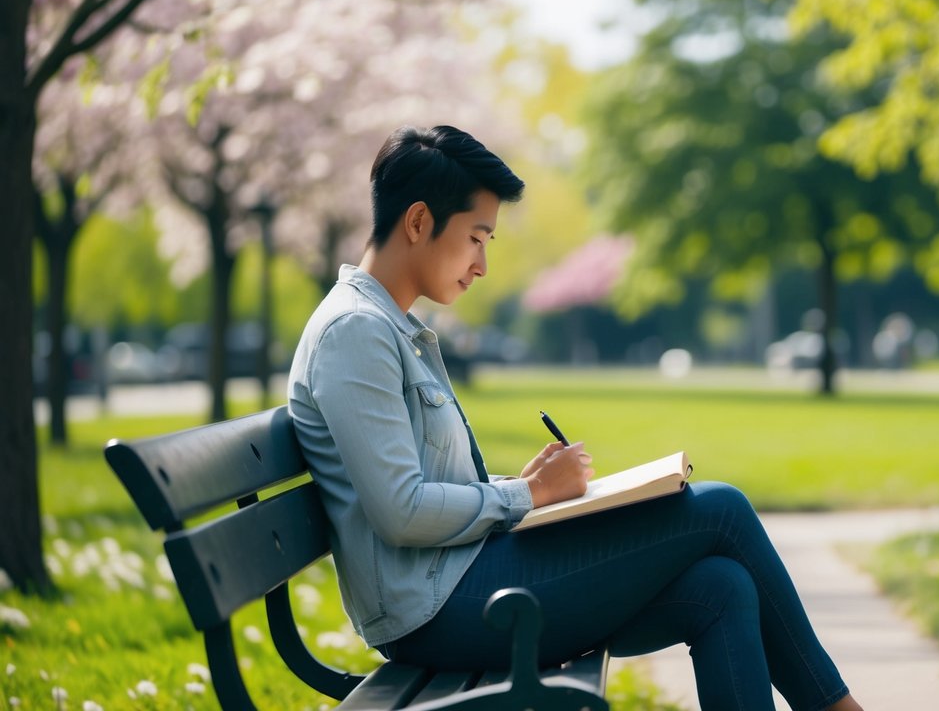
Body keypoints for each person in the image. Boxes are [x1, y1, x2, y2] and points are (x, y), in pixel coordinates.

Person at [287, 124, 863, 711]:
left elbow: (418, 492)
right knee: (722, 509)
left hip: (462, 583)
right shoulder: (355, 332)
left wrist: (517, 488)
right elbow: (401, 512)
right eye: (476, 237)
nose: (483, 263)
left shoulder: (389, 328)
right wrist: (529, 495)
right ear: (417, 223)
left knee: (723, 587)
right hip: (436, 611)